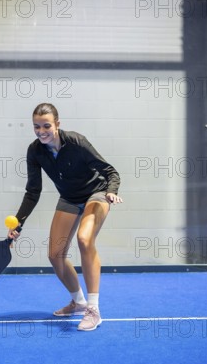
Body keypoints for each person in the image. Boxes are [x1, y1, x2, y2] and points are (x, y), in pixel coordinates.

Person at [8, 103, 123, 331]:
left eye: (46, 126)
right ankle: (78, 302)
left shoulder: (77, 142)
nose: (41, 131)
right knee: (55, 254)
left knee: (84, 239)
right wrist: (19, 223)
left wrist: (111, 191)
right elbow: (33, 191)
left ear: (57, 124)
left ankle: (93, 310)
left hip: (96, 193)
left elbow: (110, 171)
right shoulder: (35, 151)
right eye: (36, 126)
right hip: (69, 198)